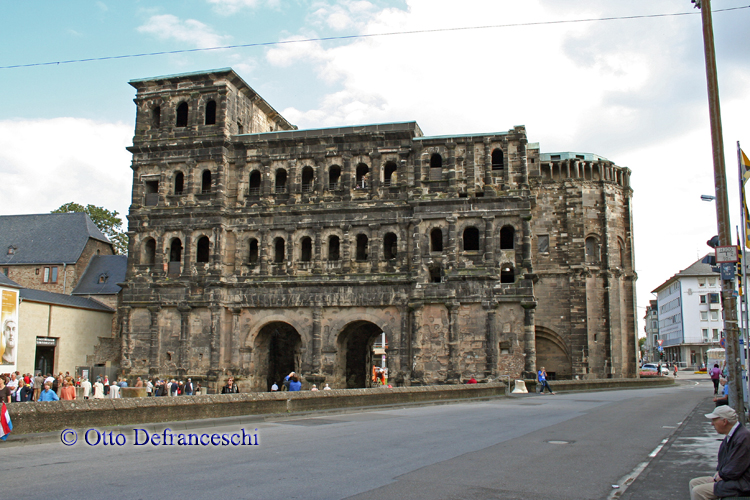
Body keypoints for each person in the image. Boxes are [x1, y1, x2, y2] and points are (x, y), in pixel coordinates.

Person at [689, 406, 750, 499]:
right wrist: (718, 476)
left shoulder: (743, 438)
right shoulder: (733, 436)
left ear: (724, 421)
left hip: (743, 483)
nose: (712, 424)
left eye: (714, 420)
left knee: (699, 491)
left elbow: (734, 470)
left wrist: (716, 478)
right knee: (694, 483)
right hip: (735, 479)